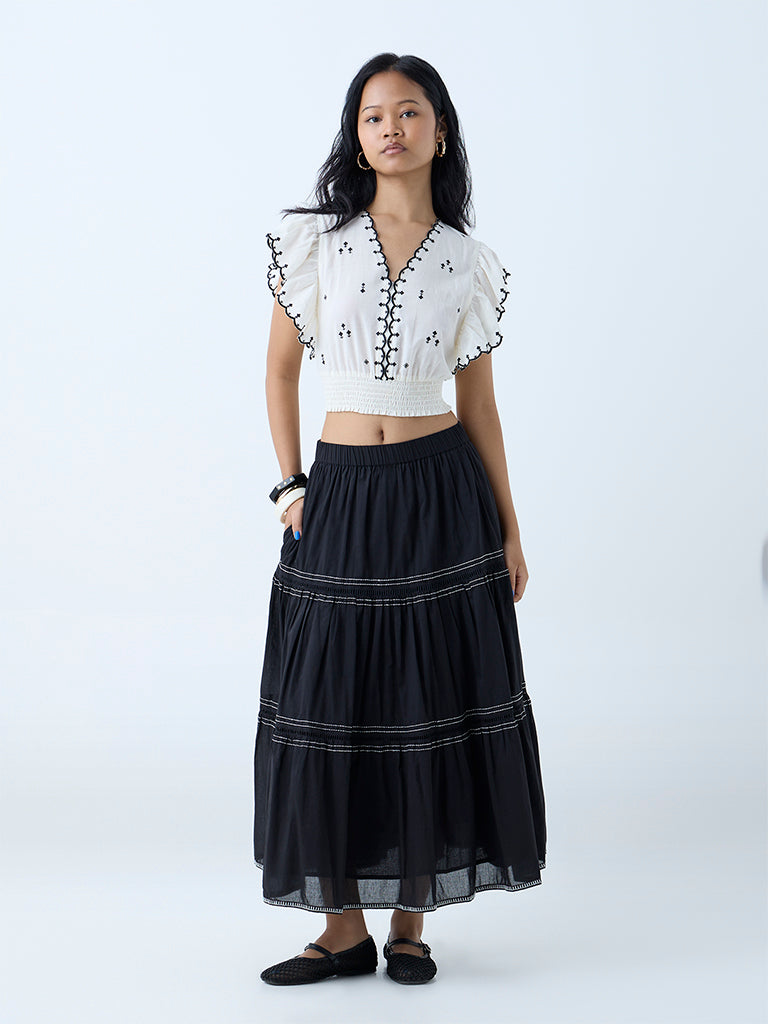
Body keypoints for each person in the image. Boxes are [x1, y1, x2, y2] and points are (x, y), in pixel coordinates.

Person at [253, 52, 547, 987]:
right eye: (374, 116)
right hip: (339, 488)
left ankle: (411, 923)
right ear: (357, 138)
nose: (391, 128)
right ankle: (341, 930)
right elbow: (280, 372)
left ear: (440, 132)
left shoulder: (469, 262)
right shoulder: (316, 242)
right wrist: (290, 484)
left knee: (429, 696)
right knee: (329, 696)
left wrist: (509, 527)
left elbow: (481, 407)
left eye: (409, 112)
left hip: (440, 491)